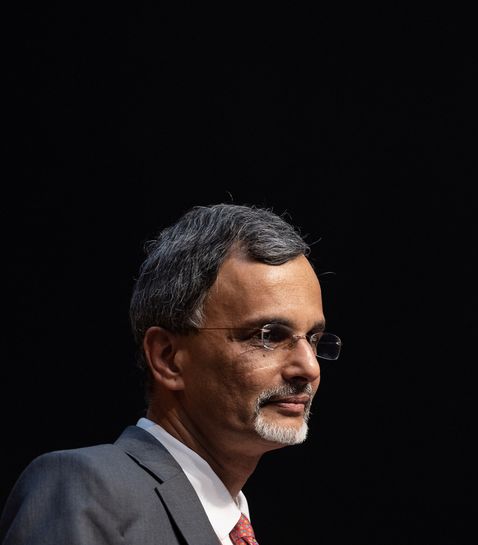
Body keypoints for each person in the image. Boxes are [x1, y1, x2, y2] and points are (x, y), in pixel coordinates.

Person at [0, 203, 342, 545]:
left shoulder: (234, 525)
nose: (309, 367)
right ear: (168, 358)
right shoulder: (85, 489)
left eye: (313, 339)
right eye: (268, 336)